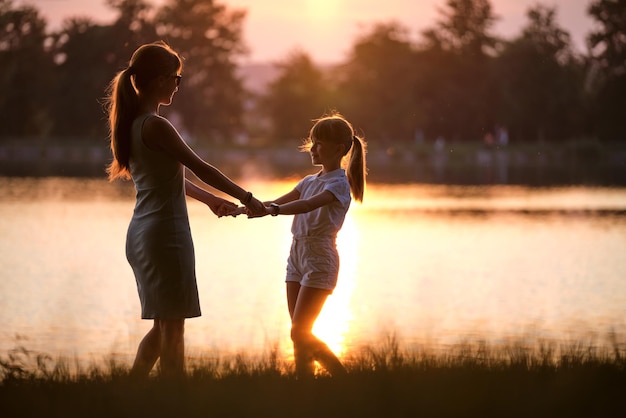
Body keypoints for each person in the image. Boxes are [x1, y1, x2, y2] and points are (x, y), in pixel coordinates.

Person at [104, 41, 265, 379]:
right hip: (166, 236)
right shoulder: (156, 125)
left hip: (141, 235)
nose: (177, 85)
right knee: (173, 331)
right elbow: (201, 167)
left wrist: (211, 201)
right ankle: (176, 402)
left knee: (163, 326)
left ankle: (126, 394)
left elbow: (170, 179)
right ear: (161, 80)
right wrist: (248, 197)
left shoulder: (132, 125)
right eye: (176, 78)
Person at [248, 113, 367, 378]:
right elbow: (277, 202)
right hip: (297, 255)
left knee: (299, 331)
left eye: (319, 144)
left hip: (319, 258)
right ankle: (305, 389)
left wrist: (274, 210)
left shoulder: (339, 184)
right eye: (312, 143)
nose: (312, 149)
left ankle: (343, 378)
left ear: (339, 149)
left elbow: (306, 205)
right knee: (298, 333)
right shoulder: (309, 181)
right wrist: (252, 208)